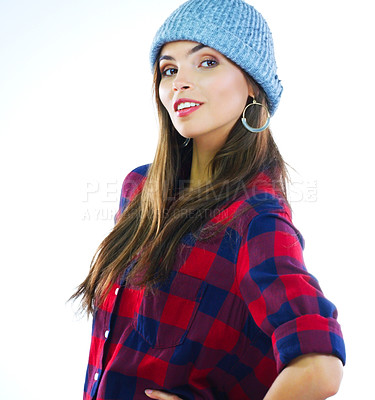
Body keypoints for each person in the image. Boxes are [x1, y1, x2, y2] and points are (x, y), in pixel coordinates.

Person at [72, 0, 346, 399]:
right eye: (169, 69)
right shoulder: (140, 188)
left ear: (253, 83)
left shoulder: (255, 214)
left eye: (207, 62)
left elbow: (319, 366)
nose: (180, 82)